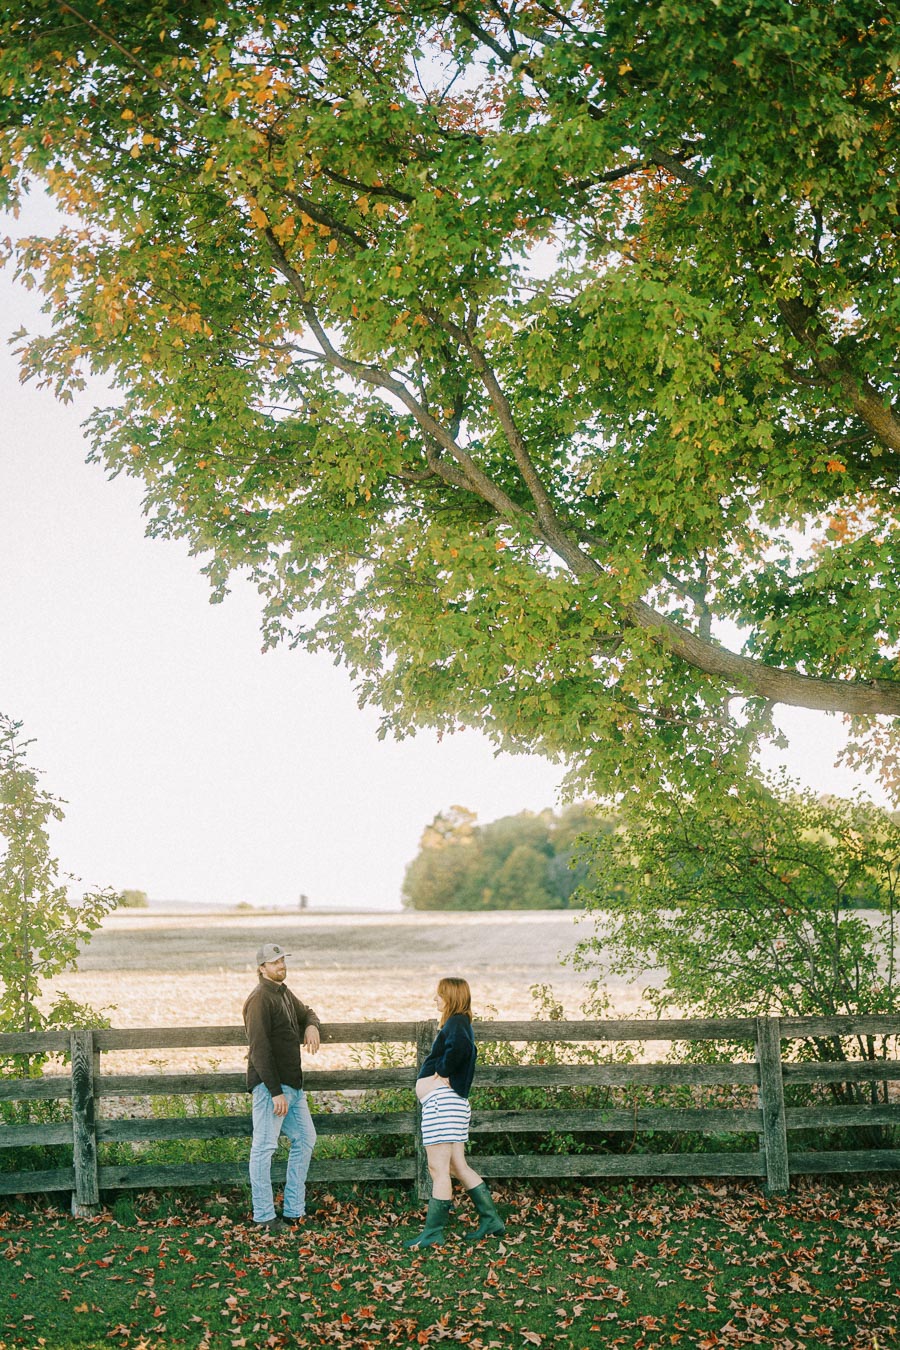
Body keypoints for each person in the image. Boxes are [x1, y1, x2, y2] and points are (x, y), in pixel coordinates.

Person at [406, 976, 505, 1249]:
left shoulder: (456, 1022)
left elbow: (460, 1049)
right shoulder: (461, 1022)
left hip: (442, 1104)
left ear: (451, 998)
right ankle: (491, 1220)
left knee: (438, 1169)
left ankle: (433, 1233)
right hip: (451, 1104)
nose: (435, 999)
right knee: (456, 1166)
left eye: (439, 995)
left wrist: (443, 1072)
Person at [242, 942, 321, 1230]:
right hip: (270, 1088)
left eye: (283, 960)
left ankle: (293, 1211)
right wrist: (275, 1092)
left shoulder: (283, 993)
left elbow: (308, 1012)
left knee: (306, 1139)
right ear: (262, 968)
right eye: (275, 962)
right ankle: (264, 1217)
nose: (281, 965)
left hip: (293, 1088)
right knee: (264, 1148)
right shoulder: (260, 998)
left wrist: (311, 1025)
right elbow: (259, 1049)